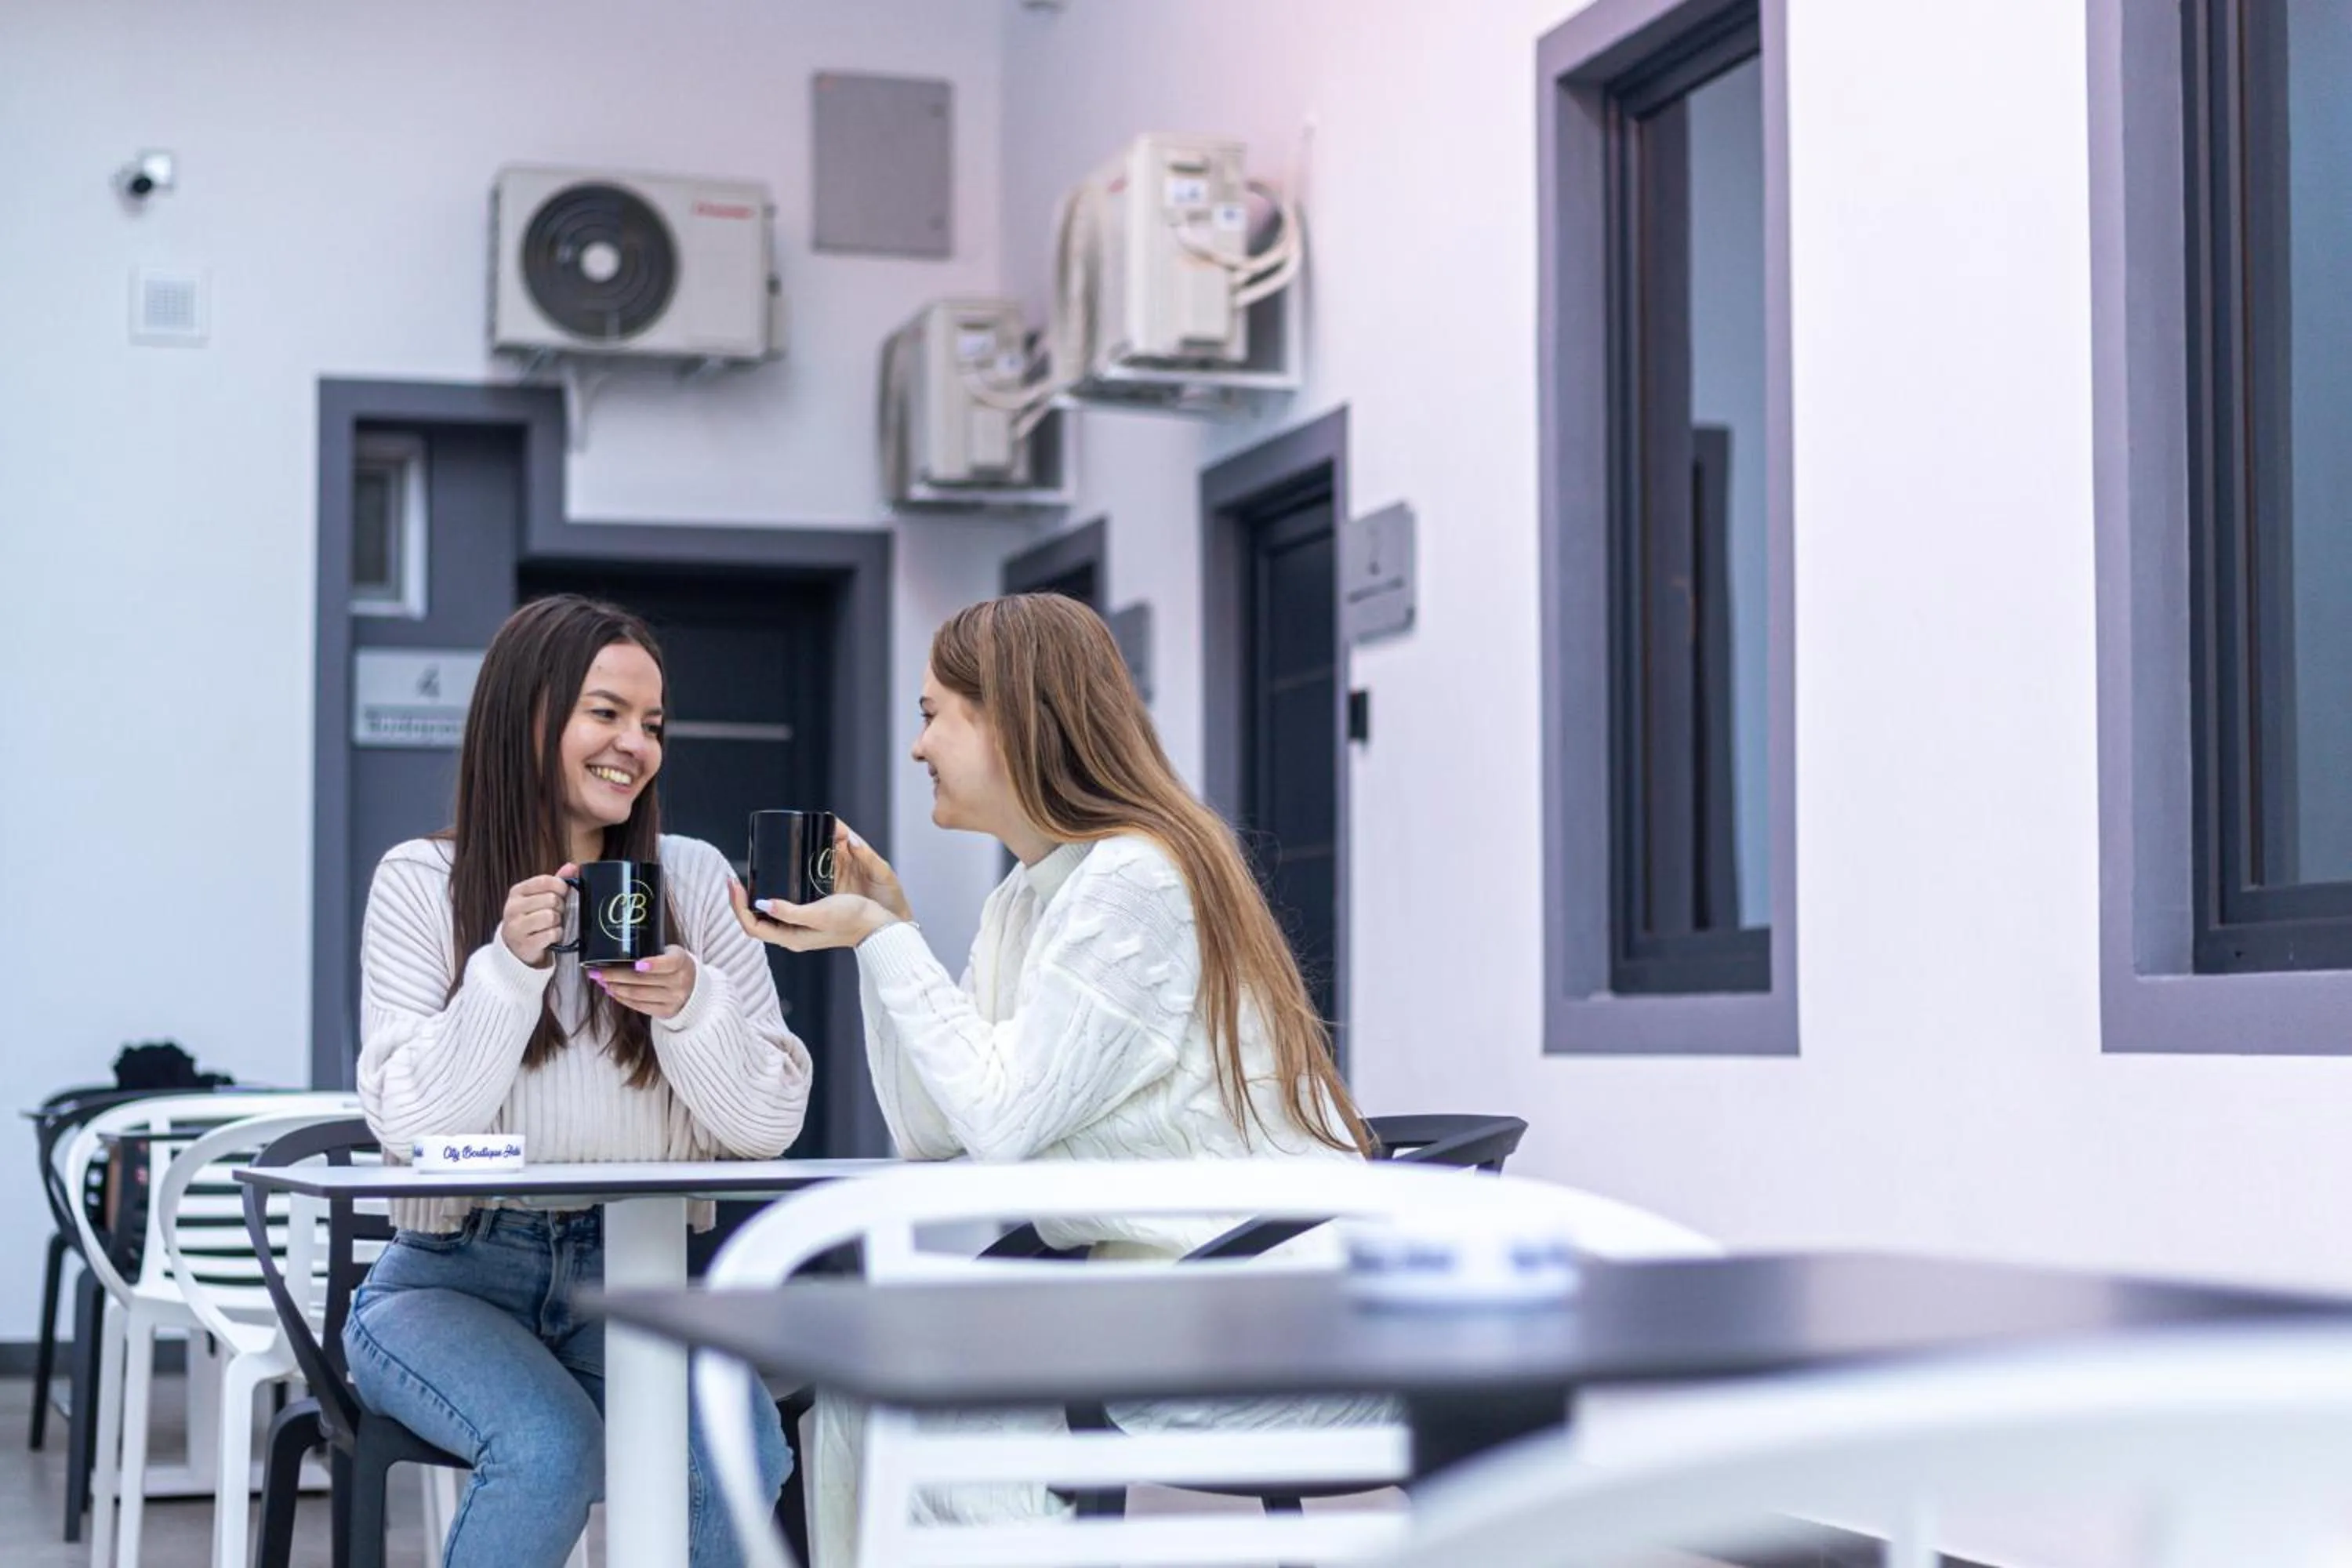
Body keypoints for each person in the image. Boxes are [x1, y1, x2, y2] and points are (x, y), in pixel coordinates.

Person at [731, 592, 1384, 1563]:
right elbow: (932, 1128)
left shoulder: (1133, 879)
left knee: (929, 1392)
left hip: (1260, 1316)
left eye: (931, 713)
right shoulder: (1030, 896)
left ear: (1011, 719)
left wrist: (884, 937)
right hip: (1162, 1296)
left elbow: (998, 1121)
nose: (917, 749)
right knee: (860, 1382)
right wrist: (883, 940)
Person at [347, 594, 808, 1568]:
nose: (635, 745)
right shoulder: (420, 881)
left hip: (638, 1274)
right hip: (450, 1279)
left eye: (652, 724)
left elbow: (768, 1122)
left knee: (736, 1450)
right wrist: (507, 971)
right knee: (549, 1448)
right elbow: (407, 1120)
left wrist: (689, 1007)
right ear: (528, 716)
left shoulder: (689, 881)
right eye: (606, 713)